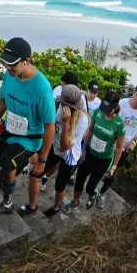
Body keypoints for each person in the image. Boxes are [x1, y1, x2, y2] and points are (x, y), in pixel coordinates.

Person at [0, 38, 55, 227]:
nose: (8, 67)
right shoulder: (9, 76)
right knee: (9, 171)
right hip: (9, 131)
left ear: (27, 61)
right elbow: (3, 102)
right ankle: (7, 203)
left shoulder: (42, 89)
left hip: (28, 141)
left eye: (12, 64)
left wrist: (42, 160)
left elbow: (49, 127)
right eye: (6, 63)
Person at [35, 85, 89, 217]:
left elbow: (65, 147)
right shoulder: (59, 106)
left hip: (69, 155)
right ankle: (35, 197)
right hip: (55, 146)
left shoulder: (82, 120)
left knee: (59, 185)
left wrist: (66, 123)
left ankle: (56, 206)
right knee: (38, 171)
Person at [95, 83, 137, 208]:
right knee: (100, 166)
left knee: (113, 172)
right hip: (111, 143)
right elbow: (110, 118)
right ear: (133, 93)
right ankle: (91, 188)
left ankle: (100, 194)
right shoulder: (123, 104)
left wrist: (135, 142)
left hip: (125, 148)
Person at [70, 91, 126, 210]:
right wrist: (83, 149)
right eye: (104, 107)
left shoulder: (119, 124)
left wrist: (114, 166)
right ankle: (75, 201)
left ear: (115, 107)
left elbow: (120, 147)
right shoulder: (97, 112)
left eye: (108, 108)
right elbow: (90, 131)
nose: (105, 110)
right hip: (90, 153)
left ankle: (92, 194)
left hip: (104, 160)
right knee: (79, 178)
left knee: (91, 186)